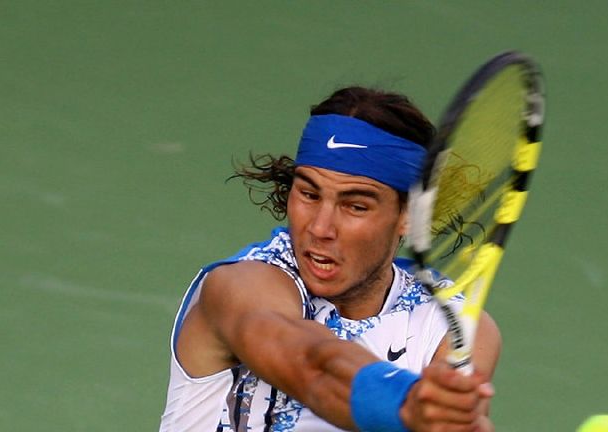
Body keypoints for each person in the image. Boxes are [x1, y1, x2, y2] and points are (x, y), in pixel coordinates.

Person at [159, 86, 501, 431]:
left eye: (355, 206)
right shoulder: (240, 287)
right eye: (309, 194)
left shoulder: (449, 327)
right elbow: (313, 367)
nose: (320, 228)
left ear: (409, 216)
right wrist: (407, 403)